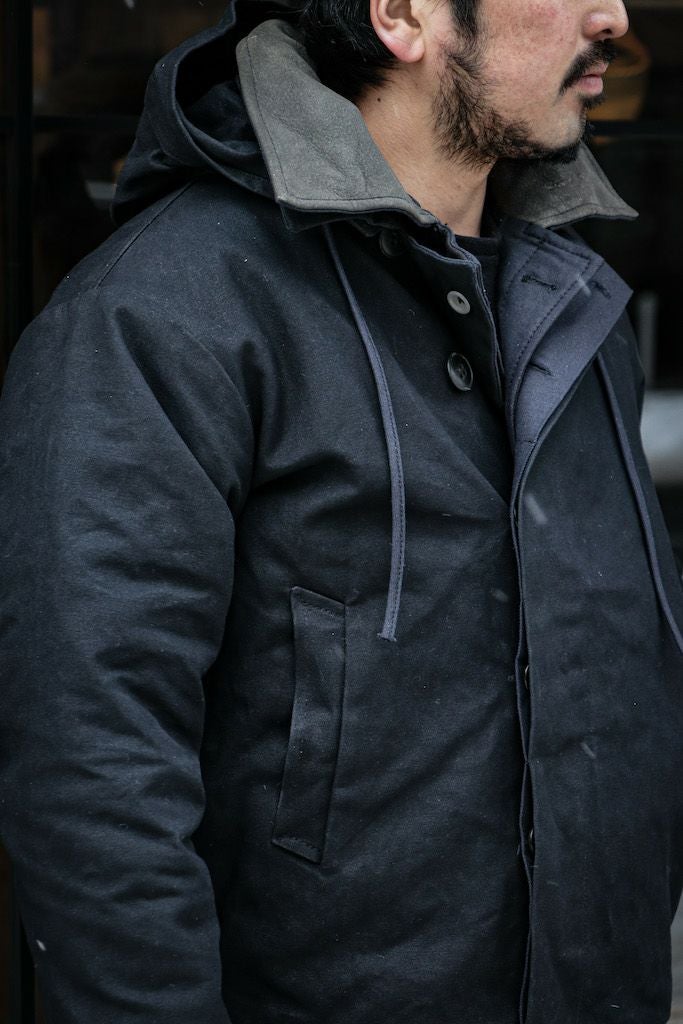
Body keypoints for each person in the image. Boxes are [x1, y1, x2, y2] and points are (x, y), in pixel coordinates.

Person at [1, 0, 682, 1021]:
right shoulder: (162, 316)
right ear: (402, 15)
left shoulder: (575, 308)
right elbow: (94, 782)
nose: (613, 15)